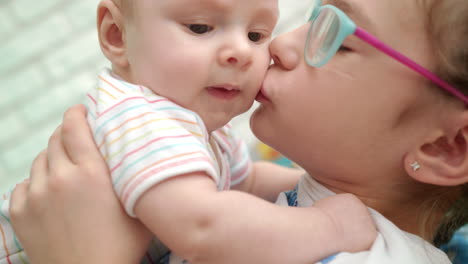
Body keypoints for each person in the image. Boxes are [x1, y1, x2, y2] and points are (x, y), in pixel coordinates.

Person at [9, 0, 468, 262]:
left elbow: (235, 187)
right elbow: (208, 217)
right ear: (115, 35)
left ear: (446, 147)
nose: (278, 47)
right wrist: (327, 221)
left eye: (339, 41)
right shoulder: (143, 117)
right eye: (200, 27)